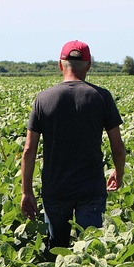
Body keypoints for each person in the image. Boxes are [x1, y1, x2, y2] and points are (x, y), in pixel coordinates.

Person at [21, 40, 126, 254]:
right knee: (91, 253)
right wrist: (119, 172)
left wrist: (26, 191)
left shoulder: (43, 99)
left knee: (57, 251)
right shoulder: (101, 97)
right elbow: (117, 146)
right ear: (89, 66)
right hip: (91, 188)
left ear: (60, 65)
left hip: (55, 187)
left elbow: (29, 150)